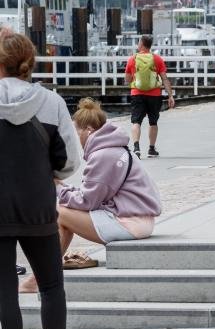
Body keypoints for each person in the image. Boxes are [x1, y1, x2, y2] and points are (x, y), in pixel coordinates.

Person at [0, 31, 86, 329]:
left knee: (4, 289)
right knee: (51, 285)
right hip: (38, 205)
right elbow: (69, 161)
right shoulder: (51, 102)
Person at [56, 98, 162, 262]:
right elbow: (96, 193)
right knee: (65, 211)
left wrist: (58, 189)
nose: (79, 138)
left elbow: (87, 201)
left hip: (129, 223)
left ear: (88, 130)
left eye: (78, 133)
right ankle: (49, 268)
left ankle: (46, 271)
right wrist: (65, 189)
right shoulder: (116, 148)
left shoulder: (103, 155)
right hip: (140, 219)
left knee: (59, 213)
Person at [124, 34, 175, 158]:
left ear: (141, 44)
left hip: (137, 94)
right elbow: (164, 79)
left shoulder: (132, 59)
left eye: (138, 42)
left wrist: (134, 81)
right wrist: (170, 95)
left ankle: (136, 148)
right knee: (153, 122)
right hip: (154, 94)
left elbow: (127, 80)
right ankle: (151, 149)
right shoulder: (157, 59)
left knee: (136, 122)